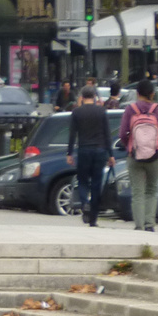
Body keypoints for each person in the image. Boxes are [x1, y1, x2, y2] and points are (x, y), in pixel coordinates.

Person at [118, 79, 158, 233]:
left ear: (137, 93)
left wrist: (129, 146)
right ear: (152, 94)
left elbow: (122, 133)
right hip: (155, 156)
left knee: (137, 192)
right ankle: (150, 224)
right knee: (151, 190)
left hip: (135, 156)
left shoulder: (130, 110)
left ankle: (139, 225)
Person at [65, 86, 114, 226]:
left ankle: (84, 202)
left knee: (82, 181)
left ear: (81, 97)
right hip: (100, 150)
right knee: (97, 183)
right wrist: (110, 155)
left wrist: (69, 153)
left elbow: (72, 134)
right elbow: (107, 134)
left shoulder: (76, 112)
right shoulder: (101, 111)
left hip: (84, 149)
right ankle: (93, 219)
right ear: (94, 96)